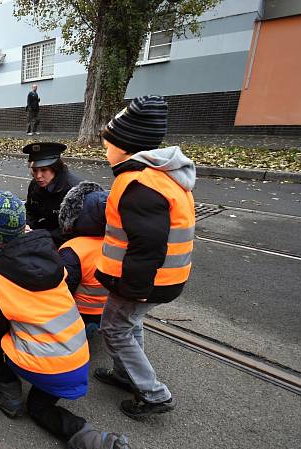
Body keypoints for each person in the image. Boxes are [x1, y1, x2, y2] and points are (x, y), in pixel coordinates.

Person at [0, 191, 131, 449]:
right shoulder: (54, 256)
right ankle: (96, 442)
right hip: (76, 357)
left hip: (46, 364)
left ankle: (5, 391)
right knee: (39, 408)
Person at [95, 95, 196, 419]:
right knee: (128, 323)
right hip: (160, 277)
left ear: (127, 145)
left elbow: (147, 245)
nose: (105, 149)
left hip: (144, 281)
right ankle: (127, 376)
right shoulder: (157, 176)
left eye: (109, 144)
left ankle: (153, 394)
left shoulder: (138, 184)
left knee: (113, 327)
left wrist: (134, 287)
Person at [57, 182, 110, 339]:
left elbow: (63, 290)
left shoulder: (73, 250)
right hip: (110, 309)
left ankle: (83, 330)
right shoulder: (117, 244)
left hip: (82, 311)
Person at [24, 142, 83, 244]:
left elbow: (71, 229)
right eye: (34, 170)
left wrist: (40, 236)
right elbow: (30, 210)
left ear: (55, 168)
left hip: (67, 241)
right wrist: (27, 224)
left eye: (44, 170)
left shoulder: (73, 190)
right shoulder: (35, 184)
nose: (38, 176)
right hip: (41, 234)